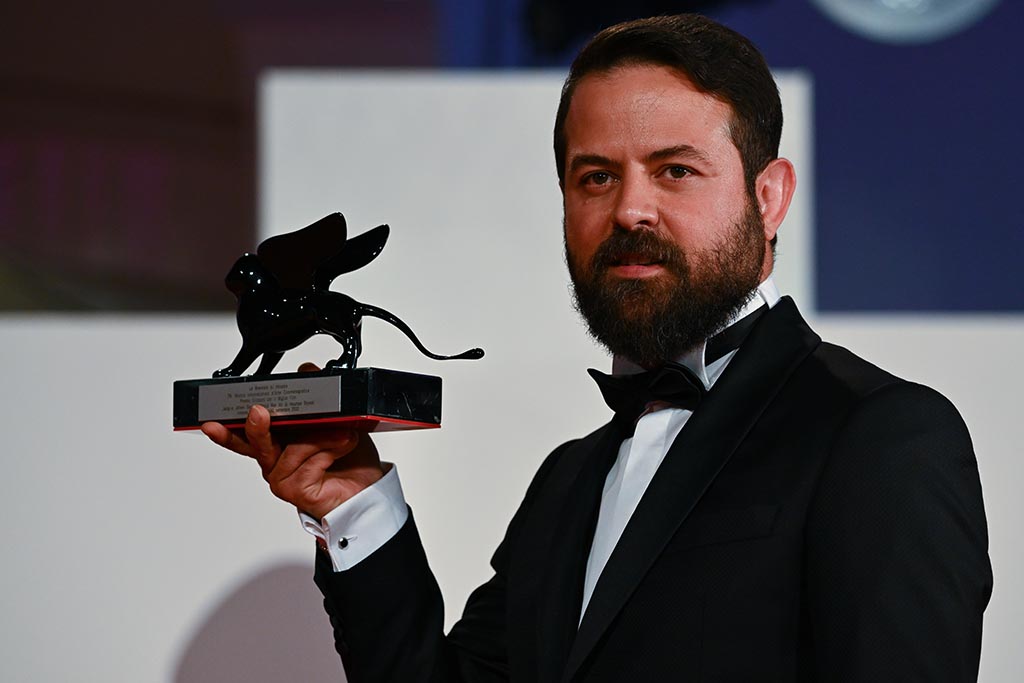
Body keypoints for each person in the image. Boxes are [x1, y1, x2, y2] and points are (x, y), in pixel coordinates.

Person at [203, 14, 992, 682]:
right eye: (595, 178)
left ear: (769, 195)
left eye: (675, 170)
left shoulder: (882, 437)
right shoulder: (568, 482)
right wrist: (355, 502)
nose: (630, 209)